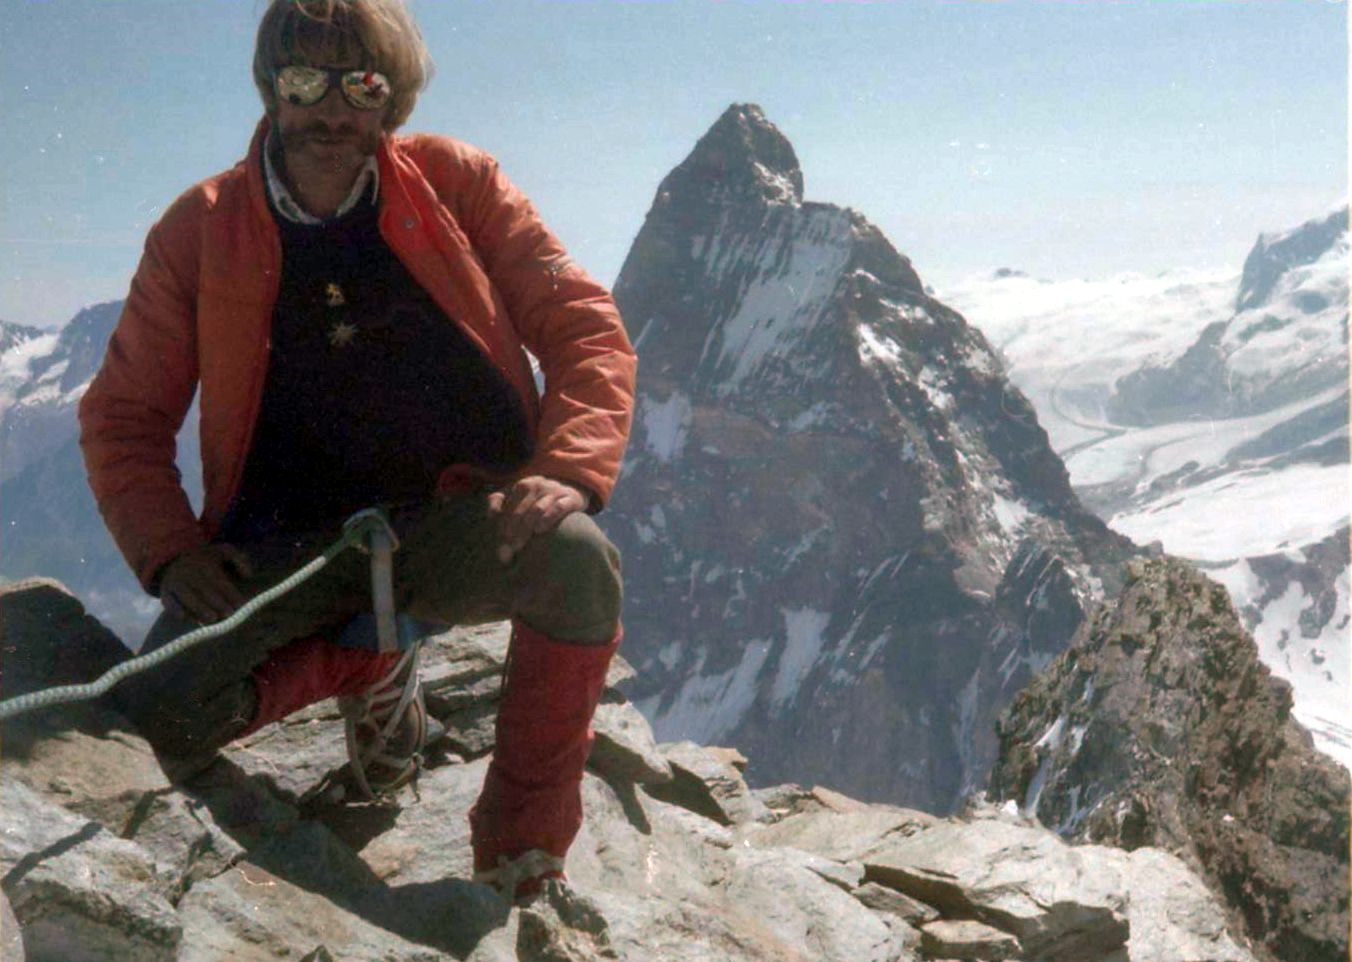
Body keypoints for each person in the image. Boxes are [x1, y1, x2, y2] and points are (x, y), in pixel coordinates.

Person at [77, 0, 636, 903]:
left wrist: (568, 467)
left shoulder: (459, 183)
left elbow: (584, 329)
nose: (333, 111)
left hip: (447, 518)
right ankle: (373, 660)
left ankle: (522, 850)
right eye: (305, 82)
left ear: (393, 97)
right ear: (271, 90)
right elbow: (124, 415)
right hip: (282, 543)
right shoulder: (202, 228)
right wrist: (171, 550)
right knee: (160, 715)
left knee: (576, 566)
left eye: (361, 85)